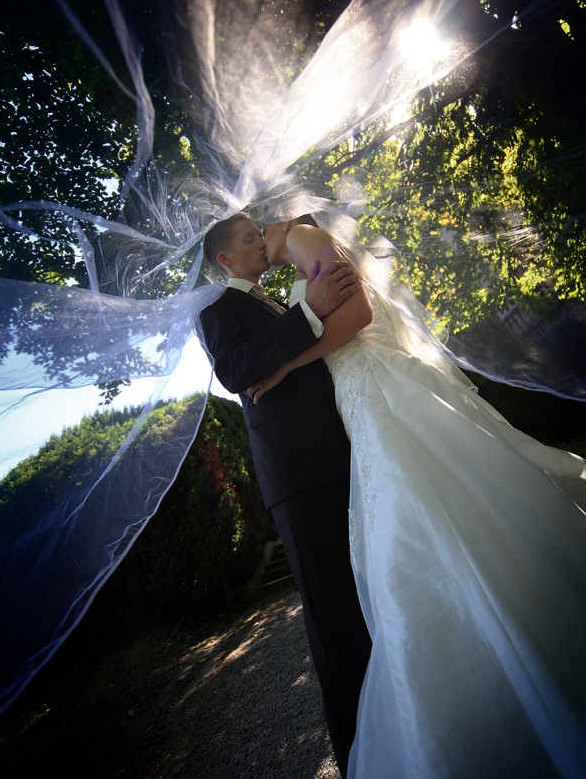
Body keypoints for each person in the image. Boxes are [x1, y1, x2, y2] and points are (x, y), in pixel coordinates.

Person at [251, 215, 586, 779]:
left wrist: (285, 363)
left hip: (379, 389)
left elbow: (358, 314)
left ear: (275, 222)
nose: (259, 250)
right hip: (362, 398)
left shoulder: (302, 237)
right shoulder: (301, 257)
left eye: (257, 236)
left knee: (423, 501)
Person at [198, 213, 372, 777]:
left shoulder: (273, 302)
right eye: (249, 238)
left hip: (338, 454)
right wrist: (308, 310)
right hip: (297, 474)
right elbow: (235, 370)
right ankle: (358, 756)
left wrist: (306, 307)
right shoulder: (216, 308)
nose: (259, 241)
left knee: (365, 604)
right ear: (226, 259)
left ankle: (391, 729)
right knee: (333, 624)